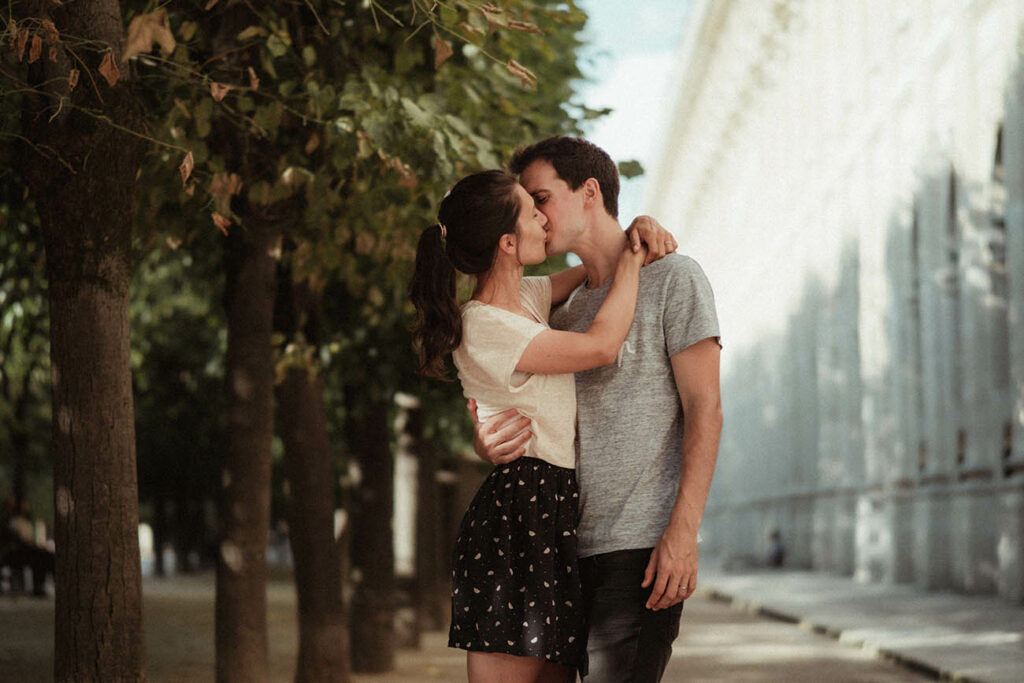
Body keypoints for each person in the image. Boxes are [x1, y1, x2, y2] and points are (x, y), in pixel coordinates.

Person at [472, 136, 723, 682]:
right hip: (558, 549)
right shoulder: (555, 308)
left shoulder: (675, 279)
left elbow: (706, 409)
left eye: (541, 197)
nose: (533, 216)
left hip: (638, 549)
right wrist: (484, 435)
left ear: (589, 192)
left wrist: (683, 531)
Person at [409, 169, 675, 682]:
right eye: (532, 210)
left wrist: (635, 230)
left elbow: (593, 268)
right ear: (509, 242)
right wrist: (637, 262)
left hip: (553, 509)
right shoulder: (481, 324)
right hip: (519, 513)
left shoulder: (528, 300)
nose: (542, 217)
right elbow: (601, 345)